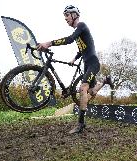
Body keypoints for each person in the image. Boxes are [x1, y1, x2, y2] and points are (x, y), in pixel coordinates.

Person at [37, 5, 114, 134]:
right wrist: (74, 58)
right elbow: (83, 47)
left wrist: (49, 43)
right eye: (65, 16)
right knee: (91, 91)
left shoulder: (81, 25)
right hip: (86, 63)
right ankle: (105, 80)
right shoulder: (79, 32)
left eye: (67, 15)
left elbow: (69, 39)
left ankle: (80, 124)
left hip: (93, 63)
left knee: (82, 88)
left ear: (74, 15)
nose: (65, 18)